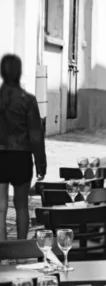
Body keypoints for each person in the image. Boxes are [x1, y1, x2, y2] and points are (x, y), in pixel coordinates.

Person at [0, 54, 47, 240]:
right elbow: (36, 135)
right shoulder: (27, 100)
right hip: (21, 157)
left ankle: (2, 250)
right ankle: (20, 249)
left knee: (0, 207)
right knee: (21, 206)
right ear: (19, 72)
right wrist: (41, 164)